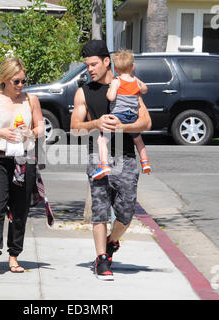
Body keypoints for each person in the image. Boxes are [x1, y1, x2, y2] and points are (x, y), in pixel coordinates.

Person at [70, 40, 151, 281]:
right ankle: (101, 258)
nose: (90, 70)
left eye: (94, 64)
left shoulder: (128, 86)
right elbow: (74, 128)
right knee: (100, 210)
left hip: (126, 158)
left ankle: (112, 241)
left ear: (107, 62)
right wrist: (95, 123)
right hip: (99, 157)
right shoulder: (83, 92)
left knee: (126, 213)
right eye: (87, 66)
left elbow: (146, 123)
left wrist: (123, 126)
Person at [0, 57, 46, 276]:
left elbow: (41, 127)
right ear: (5, 79)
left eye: (23, 80)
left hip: (24, 160)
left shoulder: (31, 99)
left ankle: (14, 256)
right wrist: (1, 132)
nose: (21, 85)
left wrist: (30, 132)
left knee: (20, 211)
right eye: (16, 81)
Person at [92, 49, 151, 180]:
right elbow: (145, 89)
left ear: (116, 70)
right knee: (138, 140)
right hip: (133, 116)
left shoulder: (116, 80)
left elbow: (111, 97)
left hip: (119, 115)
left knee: (102, 140)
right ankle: (145, 161)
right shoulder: (135, 80)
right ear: (132, 67)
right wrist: (140, 88)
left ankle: (104, 165)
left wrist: (109, 92)